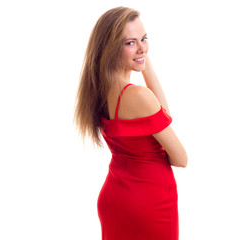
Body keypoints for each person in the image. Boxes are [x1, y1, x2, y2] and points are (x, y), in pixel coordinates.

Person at [74, 6, 188, 240]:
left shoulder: (98, 91)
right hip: (149, 202)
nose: (142, 47)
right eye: (130, 43)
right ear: (111, 48)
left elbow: (162, 115)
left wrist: (140, 57)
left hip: (115, 197)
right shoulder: (138, 96)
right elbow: (181, 159)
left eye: (144, 39)